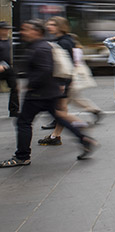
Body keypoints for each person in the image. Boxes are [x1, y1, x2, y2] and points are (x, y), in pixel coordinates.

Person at [0, 21, 97, 167]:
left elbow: (45, 70)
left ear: (37, 32)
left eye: (26, 29)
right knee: (60, 118)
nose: (22, 32)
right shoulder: (42, 45)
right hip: (48, 92)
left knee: (23, 122)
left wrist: (30, 86)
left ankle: (22, 156)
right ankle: (84, 139)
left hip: (38, 94)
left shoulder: (40, 48)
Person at [40, 17, 86, 146]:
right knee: (61, 109)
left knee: (59, 110)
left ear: (60, 26)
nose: (49, 26)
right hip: (62, 81)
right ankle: (57, 135)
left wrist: (62, 83)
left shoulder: (64, 42)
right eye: (48, 24)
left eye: (53, 24)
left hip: (61, 81)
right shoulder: (62, 40)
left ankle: (80, 126)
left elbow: (65, 65)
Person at [0, 21, 18, 117]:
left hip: (7, 67)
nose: (7, 31)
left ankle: (14, 110)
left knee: (15, 87)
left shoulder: (9, 40)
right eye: (4, 29)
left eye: (8, 29)